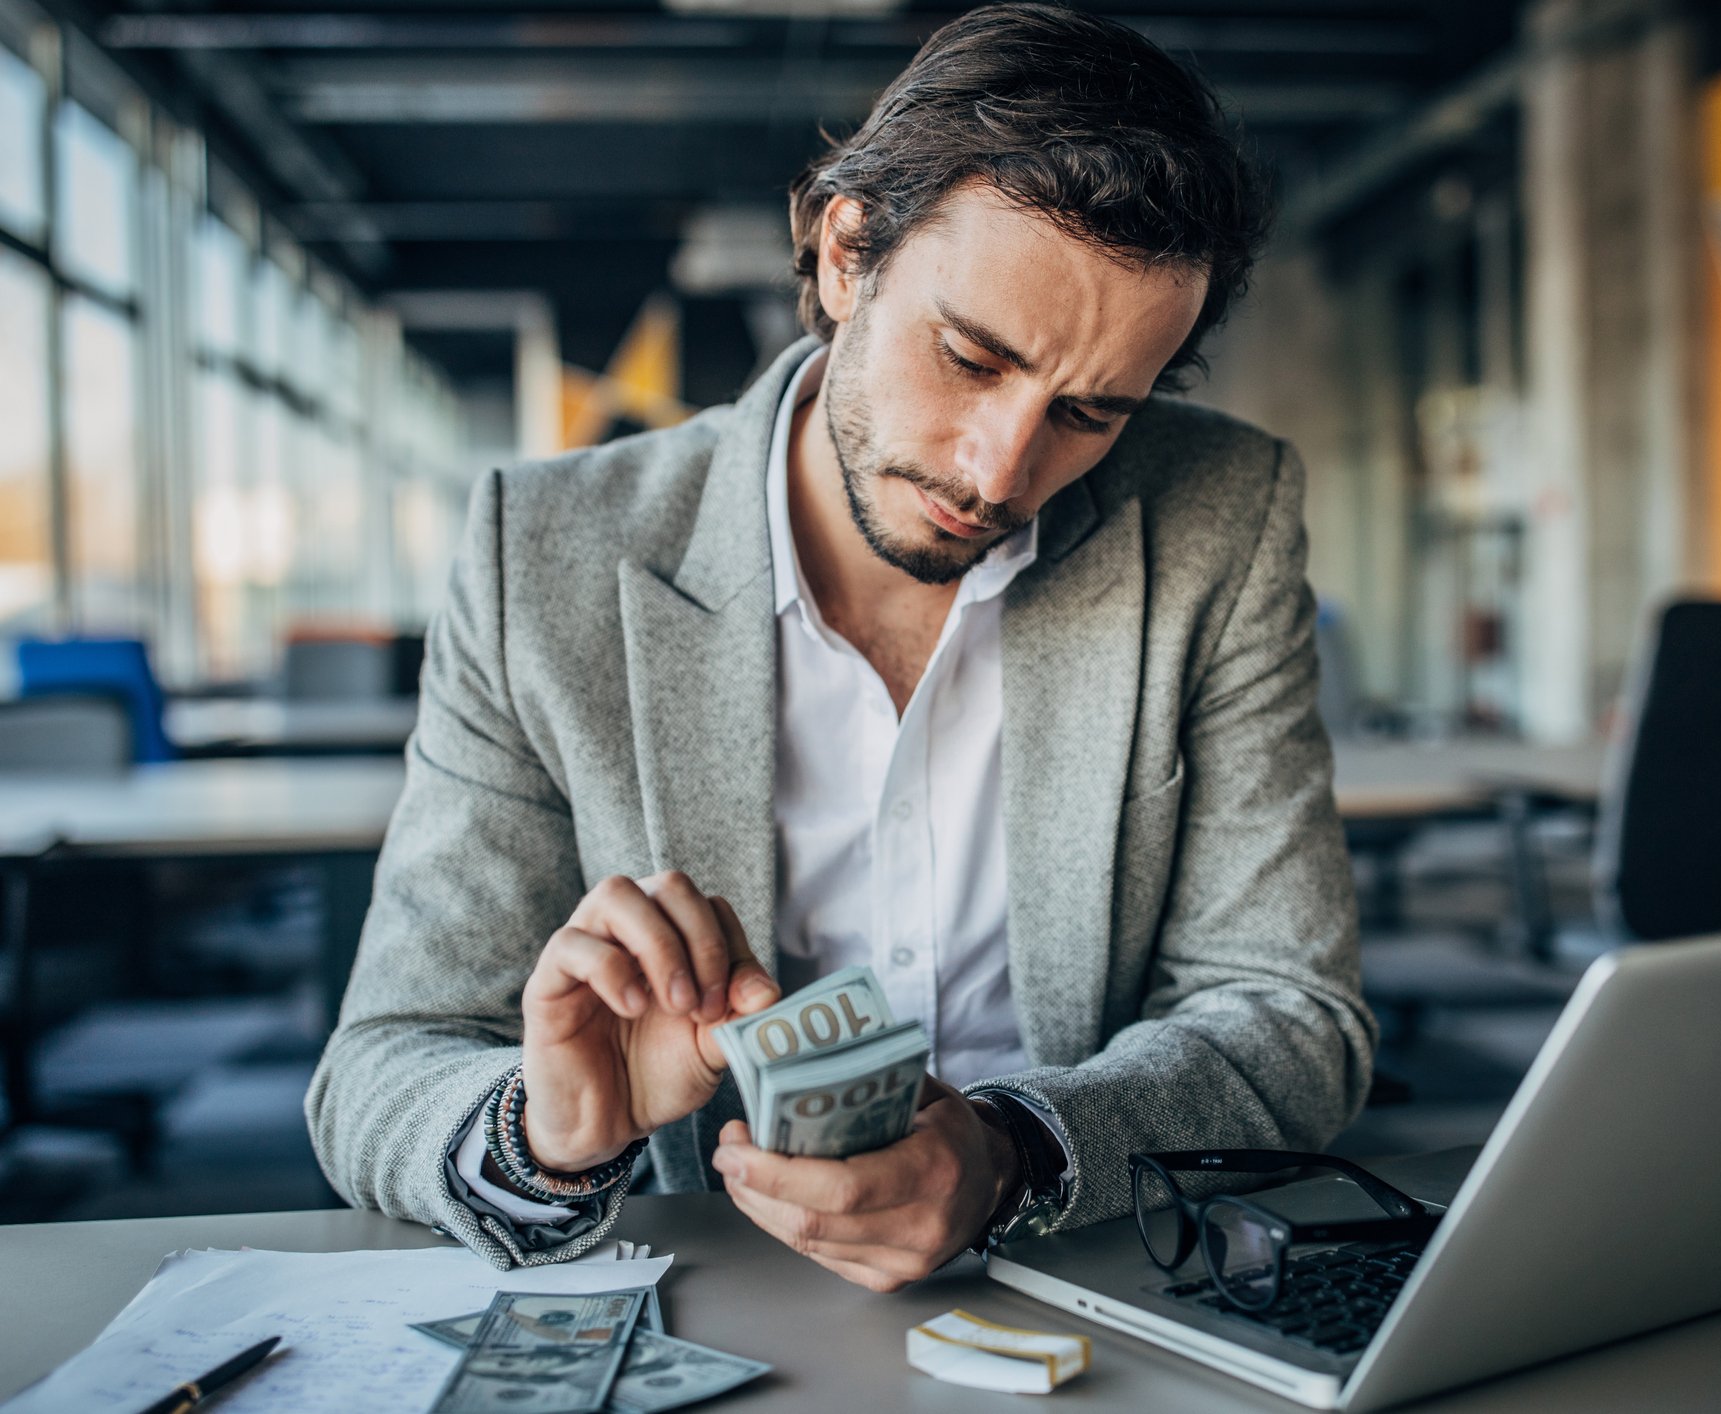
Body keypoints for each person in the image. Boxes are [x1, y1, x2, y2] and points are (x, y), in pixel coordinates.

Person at [306, 2, 1373, 1289]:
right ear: (844, 250)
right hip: (715, 1292)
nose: (1001, 469)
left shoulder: (1219, 515)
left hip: (1092, 1281)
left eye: (1090, 412)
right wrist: (548, 1134)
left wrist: (1016, 1156)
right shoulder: (544, 555)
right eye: (972, 357)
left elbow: (1290, 1015)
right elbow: (383, 1064)